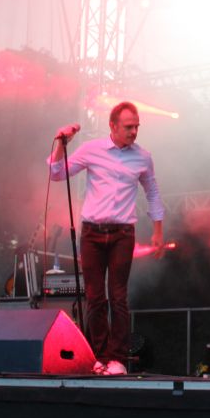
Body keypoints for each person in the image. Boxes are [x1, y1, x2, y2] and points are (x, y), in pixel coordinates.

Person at [51, 102, 164, 375]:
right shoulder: (92, 149)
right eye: (128, 127)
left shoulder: (143, 157)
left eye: (136, 126)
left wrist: (158, 230)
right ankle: (99, 357)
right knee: (94, 296)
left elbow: (152, 192)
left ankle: (117, 359)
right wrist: (61, 144)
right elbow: (57, 173)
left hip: (122, 233)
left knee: (118, 296)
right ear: (113, 126)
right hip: (92, 233)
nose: (134, 131)